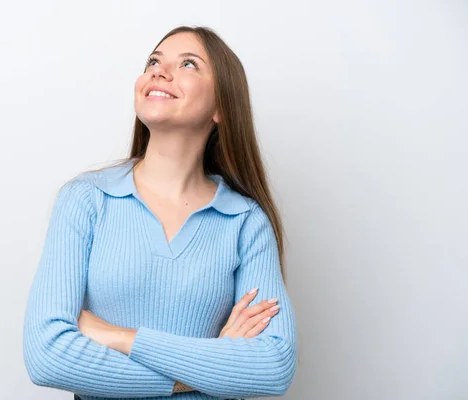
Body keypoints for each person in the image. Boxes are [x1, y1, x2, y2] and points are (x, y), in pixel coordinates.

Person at [23, 25, 297, 400]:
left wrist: (119, 337)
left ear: (221, 106)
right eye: (154, 60)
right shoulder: (86, 200)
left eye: (188, 64)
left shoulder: (245, 222)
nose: (158, 71)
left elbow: (273, 366)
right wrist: (206, 368)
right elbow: (47, 356)